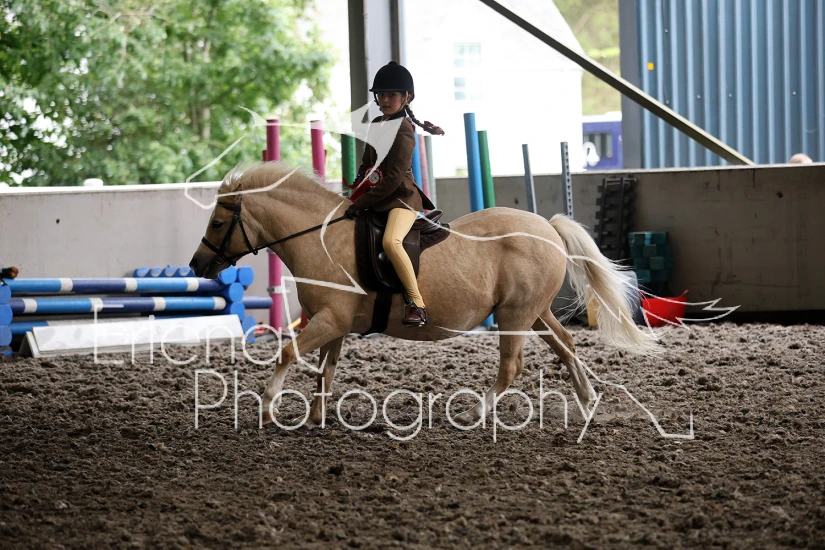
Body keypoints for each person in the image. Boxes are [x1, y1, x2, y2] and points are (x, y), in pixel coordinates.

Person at [345, 61, 444, 327]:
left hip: (401, 199)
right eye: (381, 95)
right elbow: (367, 166)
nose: (385, 100)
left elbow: (393, 178)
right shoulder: (376, 124)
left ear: (406, 97)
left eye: (391, 94)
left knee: (391, 242)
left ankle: (417, 305)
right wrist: (354, 191)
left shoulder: (404, 129)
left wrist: (361, 203)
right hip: (377, 198)